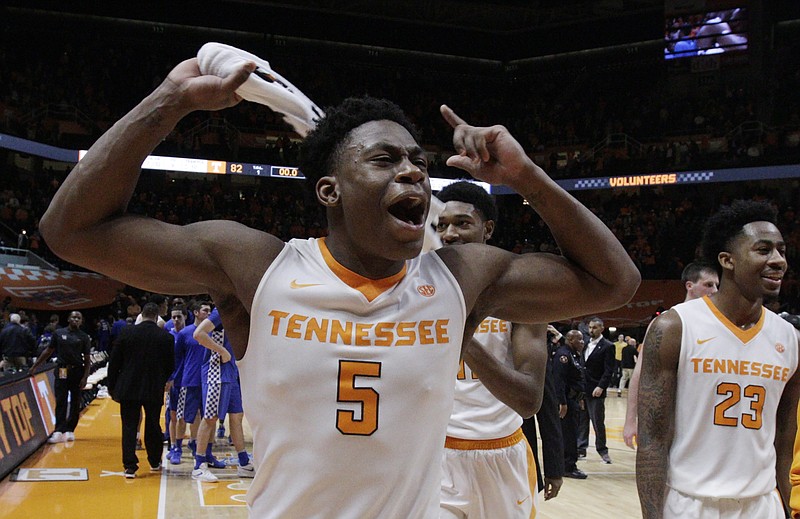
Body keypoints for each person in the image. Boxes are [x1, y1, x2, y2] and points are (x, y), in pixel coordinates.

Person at [37, 55, 639, 517]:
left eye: (418, 163)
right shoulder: (256, 266)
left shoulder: (460, 275)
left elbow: (615, 282)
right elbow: (72, 231)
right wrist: (169, 102)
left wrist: (525, 175)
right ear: (329, 191)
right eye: (383, 159)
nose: (412, 170)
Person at [637, 200, 800, 518]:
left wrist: (786, 502)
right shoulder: (675, 327)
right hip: (691, 503)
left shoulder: (789, 338)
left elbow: (785, 436)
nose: (779, 260)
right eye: (763, 250)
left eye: (781, 250)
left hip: (763, 504)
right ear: (727, 260)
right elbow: (652, 440)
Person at [434, 180, 548, 518]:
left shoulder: (520, 297)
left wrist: (462, 327)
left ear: (488, 229)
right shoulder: (415, 290)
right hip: (437, 456)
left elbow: (528, 401)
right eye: (441, 225)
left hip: (502, 454)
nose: (450, 233)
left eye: (462, 223)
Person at [623, 261, 719, 448]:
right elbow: (640, 373)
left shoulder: (719, 326)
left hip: (707, 421)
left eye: (717, 285)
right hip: (669, 419)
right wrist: (630, 421)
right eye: (708, 285)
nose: (715, 290)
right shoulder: (666, 322)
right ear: (689, 286)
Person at [106, 302, 175, 478]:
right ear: (157, 316)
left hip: (128, 387)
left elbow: (114, 362)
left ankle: (130, 466)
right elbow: (170, 366)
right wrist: (161, 380)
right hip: (153, 387)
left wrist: (112, 386)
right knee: (153, 424)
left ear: (142, 314)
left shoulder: (127, 332)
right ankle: (154, 461)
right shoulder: (165, 337)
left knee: (129, 426)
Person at [192, 306, 254, 481]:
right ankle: (198, 465)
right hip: (216, 371)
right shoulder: (222, 312)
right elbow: (199, 334)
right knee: (210, 418)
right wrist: (222, 351)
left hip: (231, 370)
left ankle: (244, 464)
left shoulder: (242, 310)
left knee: (236, 416)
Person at [29, 311, 92, 443]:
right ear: (69, 319)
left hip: (77, 371)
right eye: (74, 317)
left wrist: (85, 377)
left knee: (75, 401)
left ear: (81, 321)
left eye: (79, 318)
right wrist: (35, 366)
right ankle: (58, 430)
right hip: (62, 370)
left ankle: (70, 430)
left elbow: (87, 360)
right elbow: (48, 351)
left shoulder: (84, 337)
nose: (76, 319)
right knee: (61, 400)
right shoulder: (59, 333)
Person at [576, 317, 615, 463]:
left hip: (596, 389)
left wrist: (601, 386)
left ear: (602, 328)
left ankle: (602, 450)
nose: (591, 330)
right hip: (583, 389)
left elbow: (609, 370)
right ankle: (581, 448)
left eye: (594, 328)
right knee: (582, 420)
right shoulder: (585, 344)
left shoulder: (608, 346)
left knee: (598, 421)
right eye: (590, 327)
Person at [553, 329, 588, 479]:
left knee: (572, 432)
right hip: (566, 400)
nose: (582, 342)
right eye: (579, 340)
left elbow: (577, 379)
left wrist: (580, 398)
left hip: (574, 399)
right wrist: (562, 402)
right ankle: (568, 466)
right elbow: (558, 380)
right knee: (568, 434)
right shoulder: (564, 355)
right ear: (570, 340)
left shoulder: (574, 355)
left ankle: (568, 464)